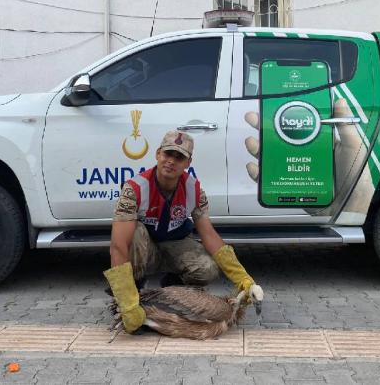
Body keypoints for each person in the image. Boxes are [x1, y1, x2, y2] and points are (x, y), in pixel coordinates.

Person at [103, 130, 264, 333]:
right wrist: (127, 302)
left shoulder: (193, 189)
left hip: (174, 245)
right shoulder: (134, 189)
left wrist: (243, 279)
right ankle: (130, 298)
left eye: (179, 157)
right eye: (168, 154)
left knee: (207, 267)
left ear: (188, 162)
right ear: (158, 154)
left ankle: (172, 291)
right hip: (144, 250)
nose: (171, 161)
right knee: (132, 234)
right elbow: (118, 246)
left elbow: (209, 235)